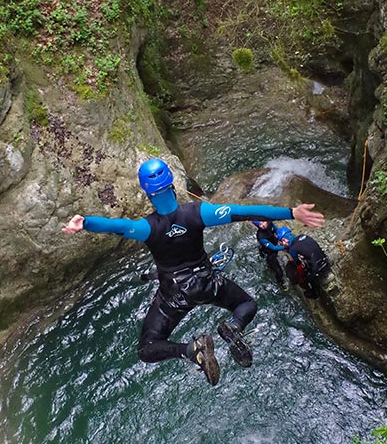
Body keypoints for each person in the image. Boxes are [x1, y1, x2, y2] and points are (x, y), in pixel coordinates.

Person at [62, 158, 325, 386]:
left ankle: (191, 350)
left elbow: (115, 226)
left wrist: (85, 222)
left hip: (174, 294)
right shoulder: (199, 213)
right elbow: (244, 212)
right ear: (173, 186)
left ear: (147, 193)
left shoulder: (146, 228)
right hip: (207, 283)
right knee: (246, 304)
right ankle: (233, 328)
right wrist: (291, 212)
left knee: (147, 348)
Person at [255, 221, 333, 300]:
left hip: (319, 269)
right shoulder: (303, 236)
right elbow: (273, 247)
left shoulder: (293, 249)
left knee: (304, 279)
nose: (263, 225)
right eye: (260, 224)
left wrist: (286, 248)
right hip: (325, 259)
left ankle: (313, 294)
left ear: (285, 240)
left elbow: (298, 263)